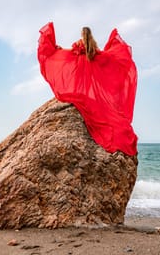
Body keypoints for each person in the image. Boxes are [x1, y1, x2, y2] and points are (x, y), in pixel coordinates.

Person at [38, 22, 138, 156]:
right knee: (92, 94)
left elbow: (70, 53)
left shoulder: (80, 45)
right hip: (90, 74)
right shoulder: (93, 47)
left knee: (81, 86)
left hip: (81, 73)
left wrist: (58, 50)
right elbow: (102, 56)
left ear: (82, 34)